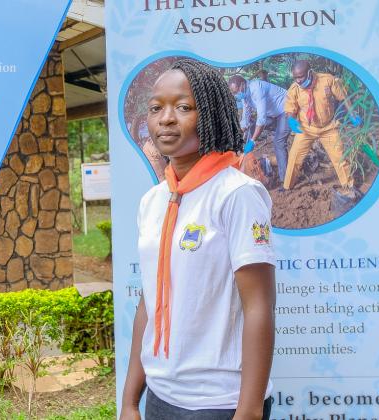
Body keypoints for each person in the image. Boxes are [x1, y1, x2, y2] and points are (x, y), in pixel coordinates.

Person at [120, 58, 276, 420]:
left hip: (219, 402)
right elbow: (149, 301)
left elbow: (259, 305)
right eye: (156, 108)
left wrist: (248, 412)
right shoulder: (153, 201)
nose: (166, 119)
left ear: (211, 114)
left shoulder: (237, 194)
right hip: (161, 395)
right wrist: (129, 401)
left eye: (183, 107)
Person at [283, 60, 356, 191]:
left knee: (340, 158)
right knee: (294, 158)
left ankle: (349, 186)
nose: (298, 80)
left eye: (301, 77)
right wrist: (291, 120)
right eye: (295, 78)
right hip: (306, 129)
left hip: (328, 127)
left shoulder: (328, 80)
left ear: (309, 72)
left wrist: (352, 113)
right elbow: (290, 109)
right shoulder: (294, 89)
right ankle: (287, 187)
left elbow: (343, 97)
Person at [229, 75, 291, 183]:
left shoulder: (257, 88)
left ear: (242, 84)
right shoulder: (245, 95)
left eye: (236, 91)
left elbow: (261, 120)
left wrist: (253, 141)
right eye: (234, 93)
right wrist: (237, 135)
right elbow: (246, 119)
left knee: (279, 142)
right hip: (272, 113)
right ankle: (246, 155)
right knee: (252, 126)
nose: (236, 94)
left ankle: (285, 181)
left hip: (285, 110)